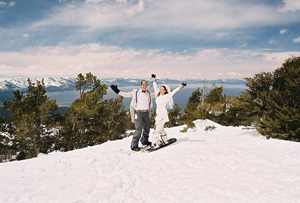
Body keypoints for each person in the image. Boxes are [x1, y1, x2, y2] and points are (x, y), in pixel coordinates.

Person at [111, 80, 156, 151]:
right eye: (143, 85)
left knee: (147, 128)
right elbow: (127, 94)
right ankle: (134, 145)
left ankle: (144, 141)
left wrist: (166, 92)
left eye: (146, 85)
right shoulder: (135, 92)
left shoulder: (148, 93)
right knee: (139, 129)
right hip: (138, 113)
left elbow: (157, 95)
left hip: (146, 112)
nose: (144, 86)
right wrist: (117, 91)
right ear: (141, 85)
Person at [151, 74, 186, 148]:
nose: (161, 90)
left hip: (162, 115)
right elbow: (155, 87)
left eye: (162, 89)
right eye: (160, 89)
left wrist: (179, 87)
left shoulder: (166, 97)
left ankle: (154, 143)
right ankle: (165, 139)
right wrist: (154, 80)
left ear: (165, 91)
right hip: (159, 114)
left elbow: (173, 93)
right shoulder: (158, 95)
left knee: (157, 129)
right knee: (160, 128)